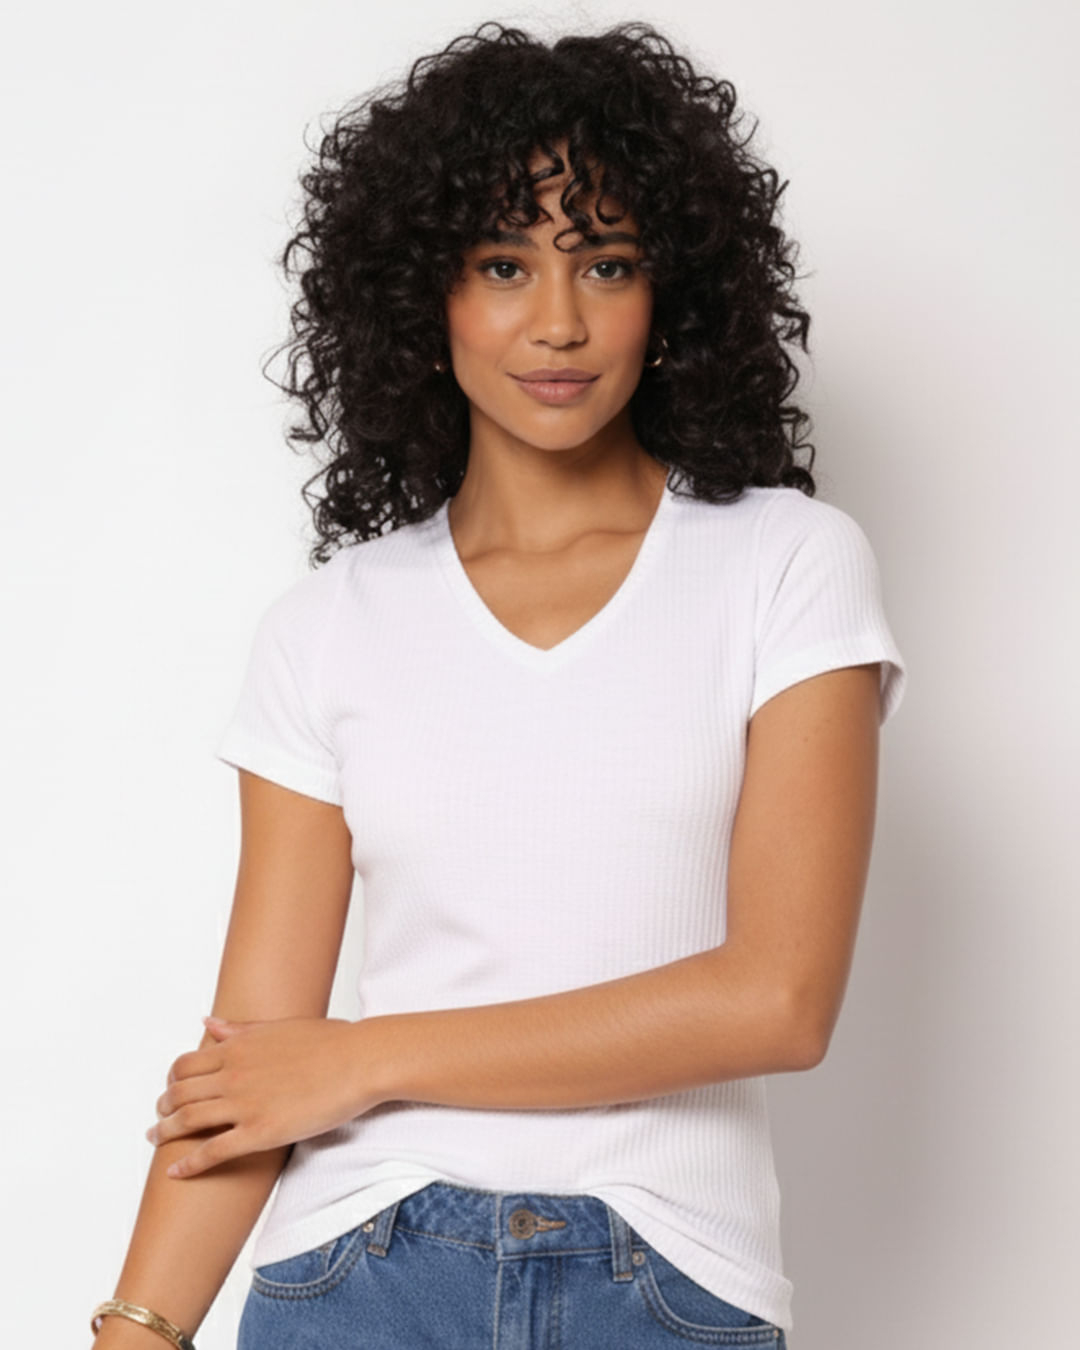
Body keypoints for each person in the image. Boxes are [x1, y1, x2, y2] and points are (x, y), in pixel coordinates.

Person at [90, 20, 907, 1350]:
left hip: (664, 1278)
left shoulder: (785, 564)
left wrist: (368, 1056)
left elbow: (779, 1000)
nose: (560, 320)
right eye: (504, 264)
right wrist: (136, 1326)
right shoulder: (327, 626)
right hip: (357, 1268)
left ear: (674, 294)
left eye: (608, 262)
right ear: (425, 298)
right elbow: (255, 1066)